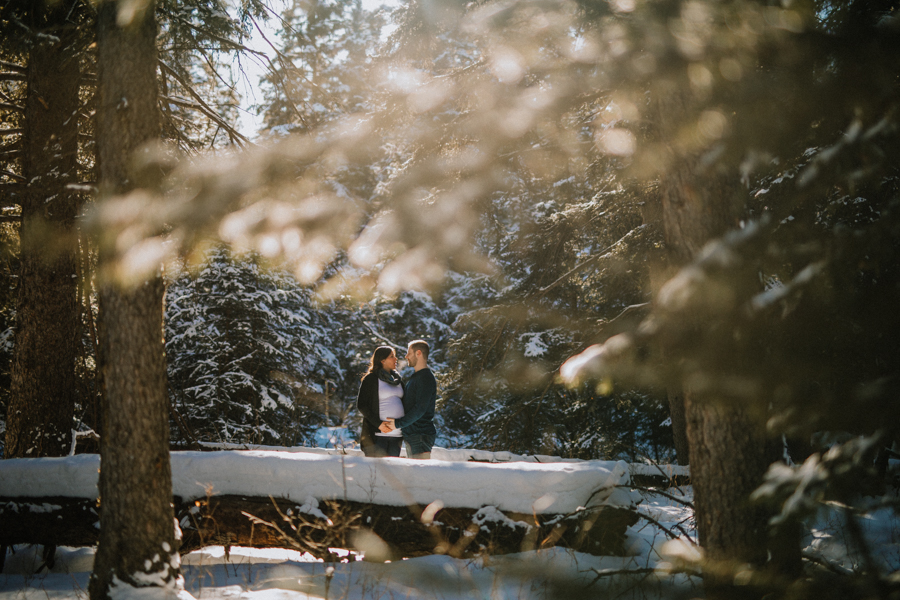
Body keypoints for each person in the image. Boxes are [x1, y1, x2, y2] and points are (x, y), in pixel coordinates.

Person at [380, 339, 437, 459]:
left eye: (409, 353)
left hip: (420, 435)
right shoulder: (417, 377)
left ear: (418, 353)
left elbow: (420, 409)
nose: (406, 356)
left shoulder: (425, 378)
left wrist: (398, 424)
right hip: (414, 435)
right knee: (416, 473)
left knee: (420, 474)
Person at [356, 346, 405, 457]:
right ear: (382, 360)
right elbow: (362, 405)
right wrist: (379, 424)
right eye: (392, 356)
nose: (396, 359)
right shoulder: (371, 379)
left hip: (396, 436)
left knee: (392, 472)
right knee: (377, 472)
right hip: (377, 436)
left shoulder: (398, 381)